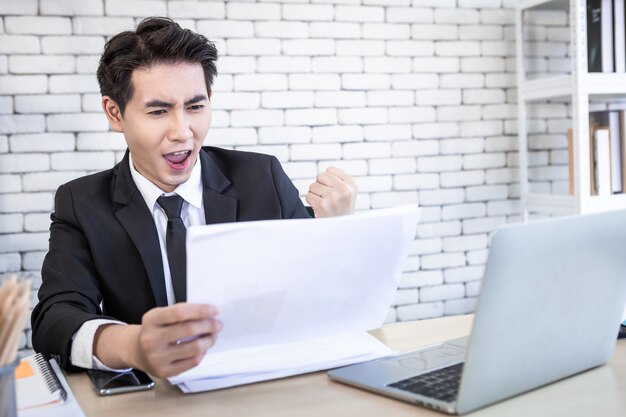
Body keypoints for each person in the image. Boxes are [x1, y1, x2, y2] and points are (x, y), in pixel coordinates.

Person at [31, 17, 357, 378]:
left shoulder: (262, 179)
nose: (182, 132)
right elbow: (55, 320)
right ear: (115, 113)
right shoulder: (82, 203)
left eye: (195, 107)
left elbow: (316, 300)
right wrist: (133, 346)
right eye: (158, 111)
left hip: (262, 388)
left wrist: (337, 232)